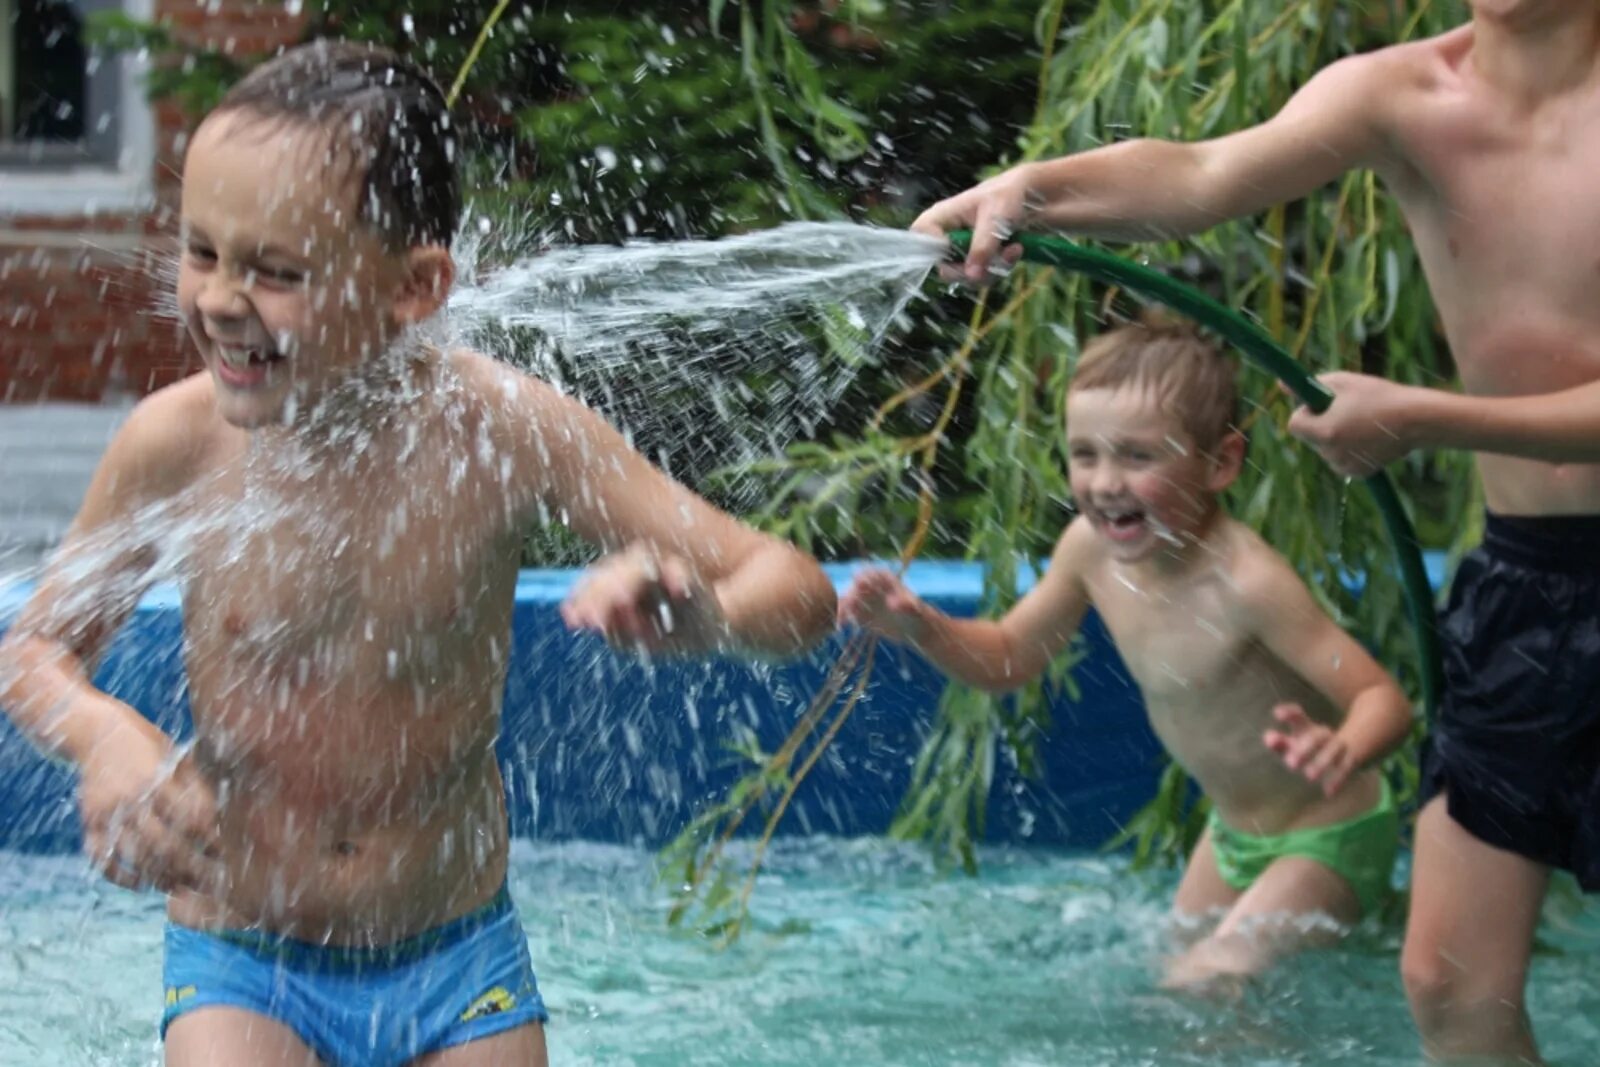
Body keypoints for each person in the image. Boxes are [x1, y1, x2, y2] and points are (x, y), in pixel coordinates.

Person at [0, 40, 837, 1067]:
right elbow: (33, 647)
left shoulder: (503, 434)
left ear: (417, 285)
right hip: (242, 953)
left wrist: (705, 615)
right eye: (202, 251)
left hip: (456, 959)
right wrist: (97, 735)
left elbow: (793, 587)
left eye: (274, 270)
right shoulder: (178, 446)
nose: (221, 299)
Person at [914, 5, 1600, 1060]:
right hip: (1527, 579)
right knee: (1447, 977)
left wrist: (1425, 418)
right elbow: (1197, 175)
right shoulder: (1402, 92)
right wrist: (1032, 190)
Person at [839, 316, 1413, 987]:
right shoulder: (1089, 551)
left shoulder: (1249, 583)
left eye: (1138, 456)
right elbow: (1008, 658)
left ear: (1220, 462)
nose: (1106, 481)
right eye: (1085, 453)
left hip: (1327, 832)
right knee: (1170, 980)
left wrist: (1342, 747)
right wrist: (921, 626)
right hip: (1232, 835)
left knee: (1208, 977)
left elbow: (1384, 699)